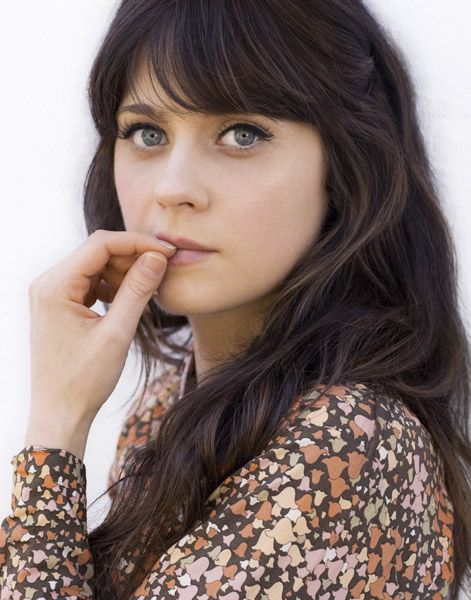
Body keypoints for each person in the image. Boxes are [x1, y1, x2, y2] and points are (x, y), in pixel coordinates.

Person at [0, 0, 469, 598]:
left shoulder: (347, 442)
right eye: (147, 133)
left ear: (347, 167)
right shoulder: (172, 400)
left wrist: (55, 427)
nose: (173, 188)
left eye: (241, 134)